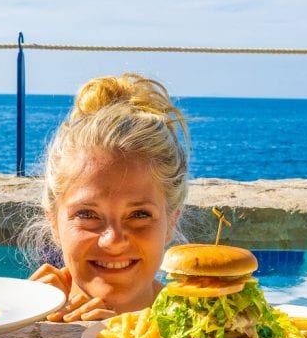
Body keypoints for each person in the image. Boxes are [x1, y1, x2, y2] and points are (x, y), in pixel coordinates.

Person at [27, 73, 189, 322]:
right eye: (87, 214)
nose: (113, 241)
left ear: (172, 221)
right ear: (53, 223)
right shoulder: (0, 327)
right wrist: (26, 334)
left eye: (139, 214)